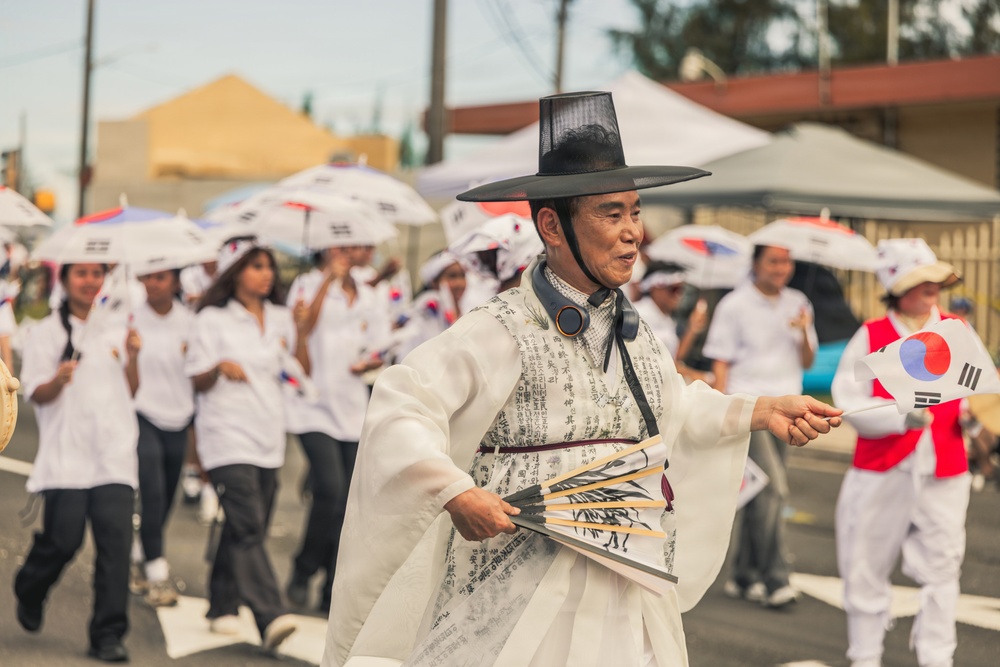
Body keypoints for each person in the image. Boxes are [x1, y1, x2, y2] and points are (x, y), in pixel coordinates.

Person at [322, 91, 841, 667]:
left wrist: (759, 410)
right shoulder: (502, 327)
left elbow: (673, 408)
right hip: (519, 581)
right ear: (551, 224)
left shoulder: (632, 326)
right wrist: (456, 492)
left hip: (627, 577)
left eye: (635, 212)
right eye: (610, 214)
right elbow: (403, 404)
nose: (632, 233)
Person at [832, 238, 971, 667]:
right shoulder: (872, 335)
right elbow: (847, 401)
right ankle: (866, 656)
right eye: (921, 280)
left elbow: (973, 393)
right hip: (882, 467)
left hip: (945, 468)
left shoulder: (956, 329)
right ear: (896, 287)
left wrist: (976, 419)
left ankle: (937, 657)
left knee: (944, 566)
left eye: (935, 280)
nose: (932, 288)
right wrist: (899, 416)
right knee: (866, 564)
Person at [185, 237, 308, 652]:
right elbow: (195, 378)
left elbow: (298, 369)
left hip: (268, 435)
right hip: (225, 434)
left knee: (243, 526)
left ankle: (221, 604)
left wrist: (304, 329)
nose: (266, 273)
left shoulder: (280, 316)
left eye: (268, 266)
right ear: (235, 272)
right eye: (256, 266)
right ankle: (270, 615)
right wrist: (218, 367)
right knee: (249, 524)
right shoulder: (211, 319)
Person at [14, 263, 141, 663]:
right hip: (67, 454)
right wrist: (58, 379)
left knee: (115, 546)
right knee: (63, 540)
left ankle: (107, 633)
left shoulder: (117, 327)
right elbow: (34, 392)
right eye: (81, 273)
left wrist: (134, 356)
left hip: (114, 454)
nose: (90, 281)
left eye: (96, 273)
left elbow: (133, 389)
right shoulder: (47, 333)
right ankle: (31, 585)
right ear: (65, 280)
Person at [703, 243, 817, 609]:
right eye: (773, 261)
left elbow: (808, 360)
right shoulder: (734, 305)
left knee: (758, 497)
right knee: (774, 491)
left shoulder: (798, 301)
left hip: (791, 407)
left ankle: (744, 574)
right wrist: (718, 415)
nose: (781, 268)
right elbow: (720, 362)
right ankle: (775, 579)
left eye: (787, 260)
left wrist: (804, 331)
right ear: (756, 264)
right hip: (750, 408)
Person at [284, 244, 390, 613]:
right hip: (312, 404)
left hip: (351, 407)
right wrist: (327, 279)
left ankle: (332, 587)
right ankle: (303, 568)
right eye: (339, 248)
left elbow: (380, 343)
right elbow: (302, 328)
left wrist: (371, 360)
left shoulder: (369, 292)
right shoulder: (305, 284)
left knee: (348, 503)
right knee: (328, 489)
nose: (346, 253)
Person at [129, 268, 195, 607]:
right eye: (148, 276)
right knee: (152, 491)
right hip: (141, 413)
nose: (153, 283)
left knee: (168, 494)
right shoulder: (130, 318)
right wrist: (131, 351)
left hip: (179, 416)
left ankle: (141, 551)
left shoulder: (192, 320)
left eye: (162, 277)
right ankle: (157, 574)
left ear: (176, 281)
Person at [393, 250, 466, 360]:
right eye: (452, 276)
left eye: (462, 275)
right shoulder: (428, 309)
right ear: (435, 282)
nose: (459, 283)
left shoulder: (470, 306)